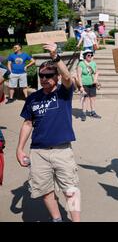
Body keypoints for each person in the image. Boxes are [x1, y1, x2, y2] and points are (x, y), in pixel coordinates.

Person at [16, 43, 81, 222]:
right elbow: (28, 123)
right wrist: (19, 149)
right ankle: (57, 219)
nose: (44, 79)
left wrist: (55, 56)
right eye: (41, 76)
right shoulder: (33, 98)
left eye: (48, 76)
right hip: (38, 152)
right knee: (45, 190)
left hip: (62, 151)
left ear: (56, 77)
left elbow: (68, 77)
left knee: (71, 190)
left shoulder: (63, 92)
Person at [77, 50, 101, 121]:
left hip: (92, 84)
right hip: (84, 84)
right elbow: (79, 75)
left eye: (91, 55)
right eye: (88, 55)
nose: (90, 56)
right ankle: (83, 113)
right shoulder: (81, 64)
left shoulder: (93, 63)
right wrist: (81, 86)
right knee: (85, 99)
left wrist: (96, 80)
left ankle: (93, 112)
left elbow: (96, 72)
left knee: (93, 99)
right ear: (85, 56)